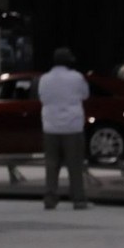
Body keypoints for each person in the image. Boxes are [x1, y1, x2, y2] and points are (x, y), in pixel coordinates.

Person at [38, 48, 92, 210]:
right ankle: (78, 199)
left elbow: (42, 97)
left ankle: (50, 197)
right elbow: (85, 95)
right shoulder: (76, 77)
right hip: (72, 126)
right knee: (75, 164)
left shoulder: (44, 79)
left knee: (51, 164)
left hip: (50, 126)